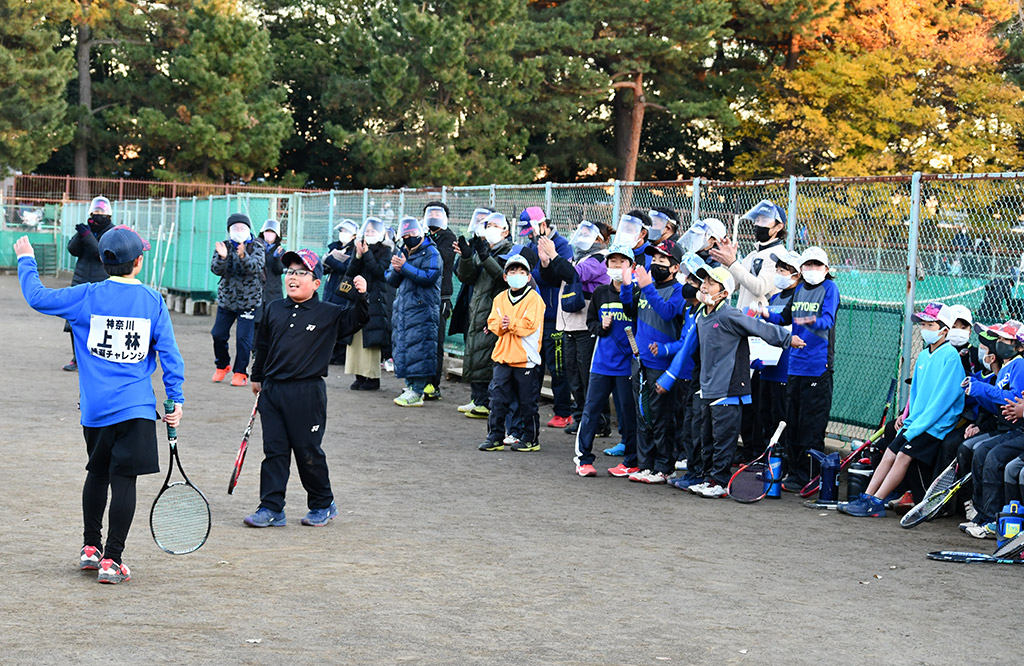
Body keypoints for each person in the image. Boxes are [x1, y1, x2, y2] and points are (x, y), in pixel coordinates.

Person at [15, 229, 185, 584]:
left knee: (97, 472)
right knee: (124, 480)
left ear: (104, 260)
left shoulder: (86, 296)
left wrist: (26, 258)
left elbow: (36, 296)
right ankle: (113, 559)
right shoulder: (153, 301)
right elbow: (169, 355)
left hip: (95, 409)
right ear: (139, 261)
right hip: (136, 407)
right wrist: (175, 398)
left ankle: (91, 549)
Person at [244, 249, 369, 528]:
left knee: (307, 451)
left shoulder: (329, 313)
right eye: (290, 271)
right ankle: (271, 507)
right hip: (273, 391)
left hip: (307, 393)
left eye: (302, 272)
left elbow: (358, 320)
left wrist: (362, 295)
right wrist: (257, 376)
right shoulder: (274, 308)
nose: (293, 277)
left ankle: (322, 503)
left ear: (316, 282)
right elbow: (262, 345)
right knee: (274, 452)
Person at [658, 266, 802, 498]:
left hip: (729, 388)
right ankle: (708, 478)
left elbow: (759, 327)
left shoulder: (729, 314)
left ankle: (720, 481)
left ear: (724, 293)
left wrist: (787, 339)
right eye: (704, 281)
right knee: (706, 437)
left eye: (711, 283)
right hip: (708, 387)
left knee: (723, 438)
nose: (704, 285)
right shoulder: (701, 315)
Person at [841, 303, 966, 517]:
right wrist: (909, 421)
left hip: (935, 427)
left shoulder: (951, 357)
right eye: (923, 324)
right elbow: (916, 395)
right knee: (890, 451)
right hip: (917, 424)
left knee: (902, 456)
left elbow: (942, 401)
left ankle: (876, 502)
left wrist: (917, 427)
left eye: (930, 324)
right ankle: (868, 497)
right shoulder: (924, 356)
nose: (925, 328)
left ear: (944, 330)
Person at [766, 246, 840, 491]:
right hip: (795, 367)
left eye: (817, 265)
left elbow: (827, 320)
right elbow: (784, 318)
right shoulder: (798, 289)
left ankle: (812, 477)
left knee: (812, 425)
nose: (812, 270)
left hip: (818, 367)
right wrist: (765, 313)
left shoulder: (829, 289)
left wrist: (810, 321)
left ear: (826, 269)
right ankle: (795, 474)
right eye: (807, 265)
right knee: (793, 423)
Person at [620, 239, 687, 484]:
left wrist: (646, 287)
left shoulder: (678, 291)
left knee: (662, 416)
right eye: (654, 260)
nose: (655, 265)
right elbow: (630, 309)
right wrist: (628, 286)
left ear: (675, 268)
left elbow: (668, 312)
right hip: (641, 361)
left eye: (662, 261)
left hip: (663, 364)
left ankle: (664, 466)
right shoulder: (646, 288)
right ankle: (645, 463)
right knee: (642, 414)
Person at [537, 219, 611, 435]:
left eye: (588, 233)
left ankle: (599, 422)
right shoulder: (578, 257)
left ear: (600, 239)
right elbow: (555, 278)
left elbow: (575, 275)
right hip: (569, 324)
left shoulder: (600, 259)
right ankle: (580, 418)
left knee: (588, 376)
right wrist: (545, 262)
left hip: (586, 325)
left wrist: (555, 256)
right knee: (574, 377)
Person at [573, 245, 639, 476]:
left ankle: (630, 460)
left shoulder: (638, 292)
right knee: (591, 410)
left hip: (627, 365)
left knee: (628, 414)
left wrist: (629, 286)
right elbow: (590, 322)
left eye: (623, 262)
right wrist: (600, 327)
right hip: (601, 364)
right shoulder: (601, 292)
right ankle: (584, 459)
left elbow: (634, 314)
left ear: (631, 266)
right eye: (613, 262)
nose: (617, 266)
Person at [478, 254, 546, 452]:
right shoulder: (500, 298)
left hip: (526, 359)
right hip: (503, 357)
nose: (518, 275)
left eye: (522, 272)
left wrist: (510, 324)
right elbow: (493, 323)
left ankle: (530, 438)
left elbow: (530, 325)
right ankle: (495, 436)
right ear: (506, 276)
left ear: (528, 277)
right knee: (497, 399)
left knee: (527, 402)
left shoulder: (534, 299)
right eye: (513, 272)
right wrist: (503, 325)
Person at [519, 206, 575, 428]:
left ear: (543, 225)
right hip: (535, 314)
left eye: (531, 230)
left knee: (558, 365)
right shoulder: (531, 246)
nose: (530, 237)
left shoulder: (562, 246)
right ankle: (529, 407)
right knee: (534, 364)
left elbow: (557, 277)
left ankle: (563, 411)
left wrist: (534, 273)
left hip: (555, 316)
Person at [454, 211, 514, 418]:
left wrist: (486, 257)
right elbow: (466, 277)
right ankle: (478, 399)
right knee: (476, 353)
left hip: (496, 312)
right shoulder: (482, 249)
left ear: (506, 231)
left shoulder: (511, 251)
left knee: (487, 355)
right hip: (477, 309)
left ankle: (488, 402)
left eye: (496, 225)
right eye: (488, 225)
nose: (491, 228)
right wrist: (466, 256)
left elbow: (503, 277)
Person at [387, 216, 442, 407]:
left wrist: (405, 267)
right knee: (405, 347)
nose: (409, 237)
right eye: (405, 234)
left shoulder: (431, 252)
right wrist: (397, 269)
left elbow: (430, 276)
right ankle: (410, 386)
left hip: (422, 309)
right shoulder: (402, 252)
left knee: (420, 348)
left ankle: (418, 391)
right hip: (403, 310)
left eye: (412, 233)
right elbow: (391, 279)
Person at [210, 213, 265, 387]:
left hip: (249, 301)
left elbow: (256, 268)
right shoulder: (223, 246)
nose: (239, 231)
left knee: (243, 339)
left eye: (242, 227)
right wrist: (223, 258)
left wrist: (243, 256)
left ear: (249, 229)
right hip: (227, 300)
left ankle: (240, 372)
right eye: (235, 228)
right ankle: (222, 365)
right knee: (218, 334)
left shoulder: (256, 246)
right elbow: (215, 269)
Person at [64, 196, 115, 371]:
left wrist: (87, 236)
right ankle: (76, 358)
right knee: (74, 321)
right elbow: (73, 249)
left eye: (101, 212)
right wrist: (82, 233)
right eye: (95, 212)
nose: (98, 215)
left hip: (101, 282)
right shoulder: (86, 230)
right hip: (80, 280)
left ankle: (97, 359)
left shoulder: (112, 232)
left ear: (108, 214)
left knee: (98, 323)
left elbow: (101, 253)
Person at [345, 218, 391, 391]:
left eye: (373, 231)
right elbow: (350, 272)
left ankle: (372, 377)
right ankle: (359, 375)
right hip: (357, 298)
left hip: (375, 299)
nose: (370, 234)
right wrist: (357, 255)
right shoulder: (358, 249)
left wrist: (367, 254)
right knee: (356, 338)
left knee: (371, 338)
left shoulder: (386, 251)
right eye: (368, 231)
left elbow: (379, 271)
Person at [422, 202, 457, 400]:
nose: (433, 216)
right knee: (420, 340)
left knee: (435, 342)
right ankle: (418, 381)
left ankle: (432, 384)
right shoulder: (422, 234)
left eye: (437, 212)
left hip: (440, 297)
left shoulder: (448, 237)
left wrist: (424, 245)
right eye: (430, 212)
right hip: (421, 296)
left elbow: (441, 258)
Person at [323, 218, 360, 365]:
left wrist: (332, 261)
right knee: (329, 320)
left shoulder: (355, 250)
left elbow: (348, 269)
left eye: (345, 232)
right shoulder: (336, 247)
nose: (342, 234)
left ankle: (340, 354)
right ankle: (331, 352)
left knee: (342, 320)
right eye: (341, 231)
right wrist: (327, 263)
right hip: (331, 288)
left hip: (344, 290)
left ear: (353, 235)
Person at [256, 219, 285, 322]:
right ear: (263, 232)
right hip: (256, 291)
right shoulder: (255, 247)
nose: (269, 234)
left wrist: (276, 258)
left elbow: (279, 270)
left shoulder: (280, 251)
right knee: (256, 323)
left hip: (273, 291)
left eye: (272, 232)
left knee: (271, 321)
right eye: (267, 231)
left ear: (277, 235)